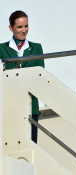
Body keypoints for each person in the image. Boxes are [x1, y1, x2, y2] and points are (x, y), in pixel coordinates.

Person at [0, 10, 45, 144]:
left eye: (26, 26)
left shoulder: (36, 48)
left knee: (31, 146)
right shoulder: (1, 49)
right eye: (19, 27)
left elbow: (40, 76)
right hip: (8, 104)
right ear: (11, 28)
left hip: (31, 105)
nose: (24, 30)